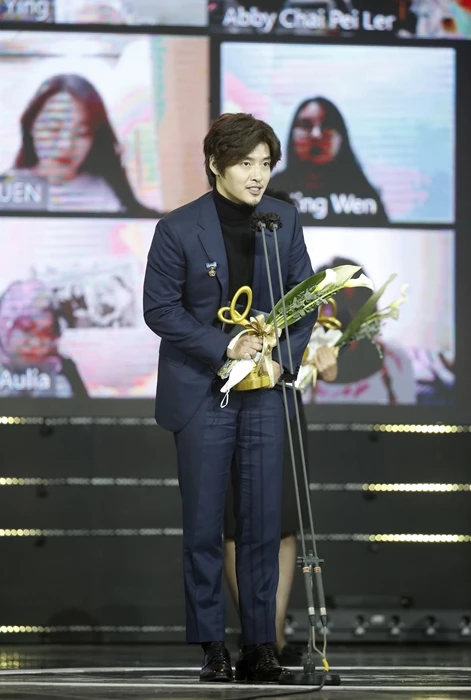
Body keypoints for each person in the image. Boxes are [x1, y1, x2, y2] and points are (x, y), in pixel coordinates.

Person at [144, 113, 316, 683]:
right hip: (203, 393)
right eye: (246, 163)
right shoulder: (178, 228)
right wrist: (226, 345)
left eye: (265, 164)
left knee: (262, 524)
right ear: (216, 164)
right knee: (204, 527)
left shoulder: (283, 221)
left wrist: (281, 358)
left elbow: (306, 302)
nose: (258, 175)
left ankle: (261, 644)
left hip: (265, 392)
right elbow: (160, 310)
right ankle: (212, 646)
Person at [223, 189, 338, 666]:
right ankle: (255, 636)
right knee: (235, 525)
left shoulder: (298, 285)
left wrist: (316, 359)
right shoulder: (223, 268)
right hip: (227, 402)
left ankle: (274, 637)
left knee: (284, 525)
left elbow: (321, 359)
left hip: (283, 403)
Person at [9, 74, 159, 215]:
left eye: (81, 133)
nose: (65, 145)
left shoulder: (109, 196)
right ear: (31, 125)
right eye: (54, 128)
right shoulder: (8, 189)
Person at [270, 97, 388, 226]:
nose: (316, 135)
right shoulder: (272, 193)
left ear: (341, 137)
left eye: (326, 125)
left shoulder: (364, 196)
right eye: (306, 125)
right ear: (292, 135)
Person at [0, 279, 88, 398]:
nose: (36, 342)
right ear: (4, 327)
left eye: (45, 333)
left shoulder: (64, 369)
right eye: (26, 329)